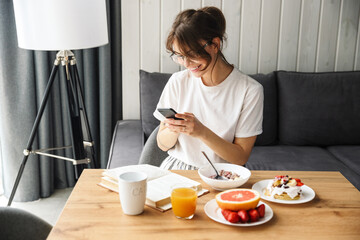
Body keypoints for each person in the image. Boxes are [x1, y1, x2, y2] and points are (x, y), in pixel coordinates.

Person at [153, 6, 263, 170]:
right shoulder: (178, 81)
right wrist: (175, 129)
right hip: (177, 168)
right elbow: (162, 145)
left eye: (191, 54)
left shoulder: (250, 91)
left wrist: (200, 131)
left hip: (222, 173)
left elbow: (240, 157)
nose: (186, 64)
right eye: (180, 56)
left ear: (215, 44)